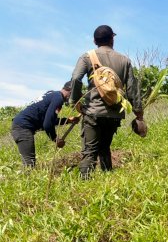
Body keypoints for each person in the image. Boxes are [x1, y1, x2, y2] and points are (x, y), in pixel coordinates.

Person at [69, 25, 145, 179]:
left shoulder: (87, 57)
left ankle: (85, 185)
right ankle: (107, 179)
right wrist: (139, 113)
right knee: (105, 148)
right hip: (114, 114)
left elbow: (76, 78)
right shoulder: (125, 60)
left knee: (89, 151)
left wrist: (75, 101)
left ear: (95, 41)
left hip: (93, 112)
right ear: (112, 39)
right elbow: (132, 88)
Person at [10, 82, 80, 167]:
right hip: (23, 127)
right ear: (71, 91)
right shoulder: (58, 99)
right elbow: (47, 124)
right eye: (76, 94)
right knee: (29, 164)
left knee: (29, 162)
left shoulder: (53, 94)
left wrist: (68, 120)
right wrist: (56, 139)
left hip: (20, 126)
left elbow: (48, 119)